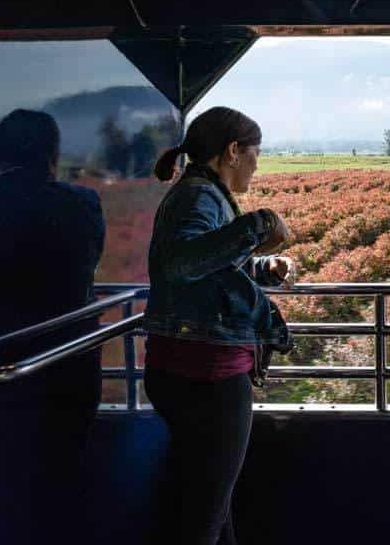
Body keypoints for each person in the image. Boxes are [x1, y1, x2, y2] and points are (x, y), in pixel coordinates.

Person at [143, 106, 295, 545]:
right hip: (207, 375)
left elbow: (209, 269)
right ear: (232, 151)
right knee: (203, 517)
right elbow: (182, 264)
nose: (256, 165)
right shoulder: (199, 196)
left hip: (192, 368)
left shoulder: (199, 194)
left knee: (212, 505)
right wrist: (261, 223)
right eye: (255, 154)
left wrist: (262, 268)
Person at [0, 109, 106, 542]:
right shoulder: (83, 203)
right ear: (53, 154)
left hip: (5, 365)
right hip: (69, 363)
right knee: (64, 476)